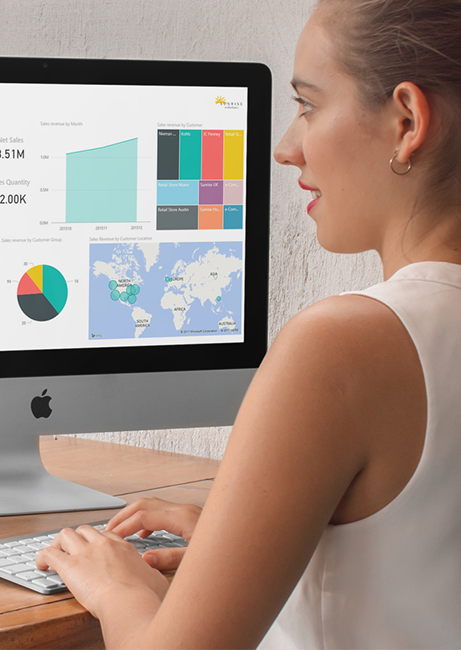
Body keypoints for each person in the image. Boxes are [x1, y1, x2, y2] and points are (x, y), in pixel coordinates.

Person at [34, 0, 461, 646]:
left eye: (309, 105)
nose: (286, 149)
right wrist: (244, 540)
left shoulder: (342, 347)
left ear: (405, 119)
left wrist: (120, 589)